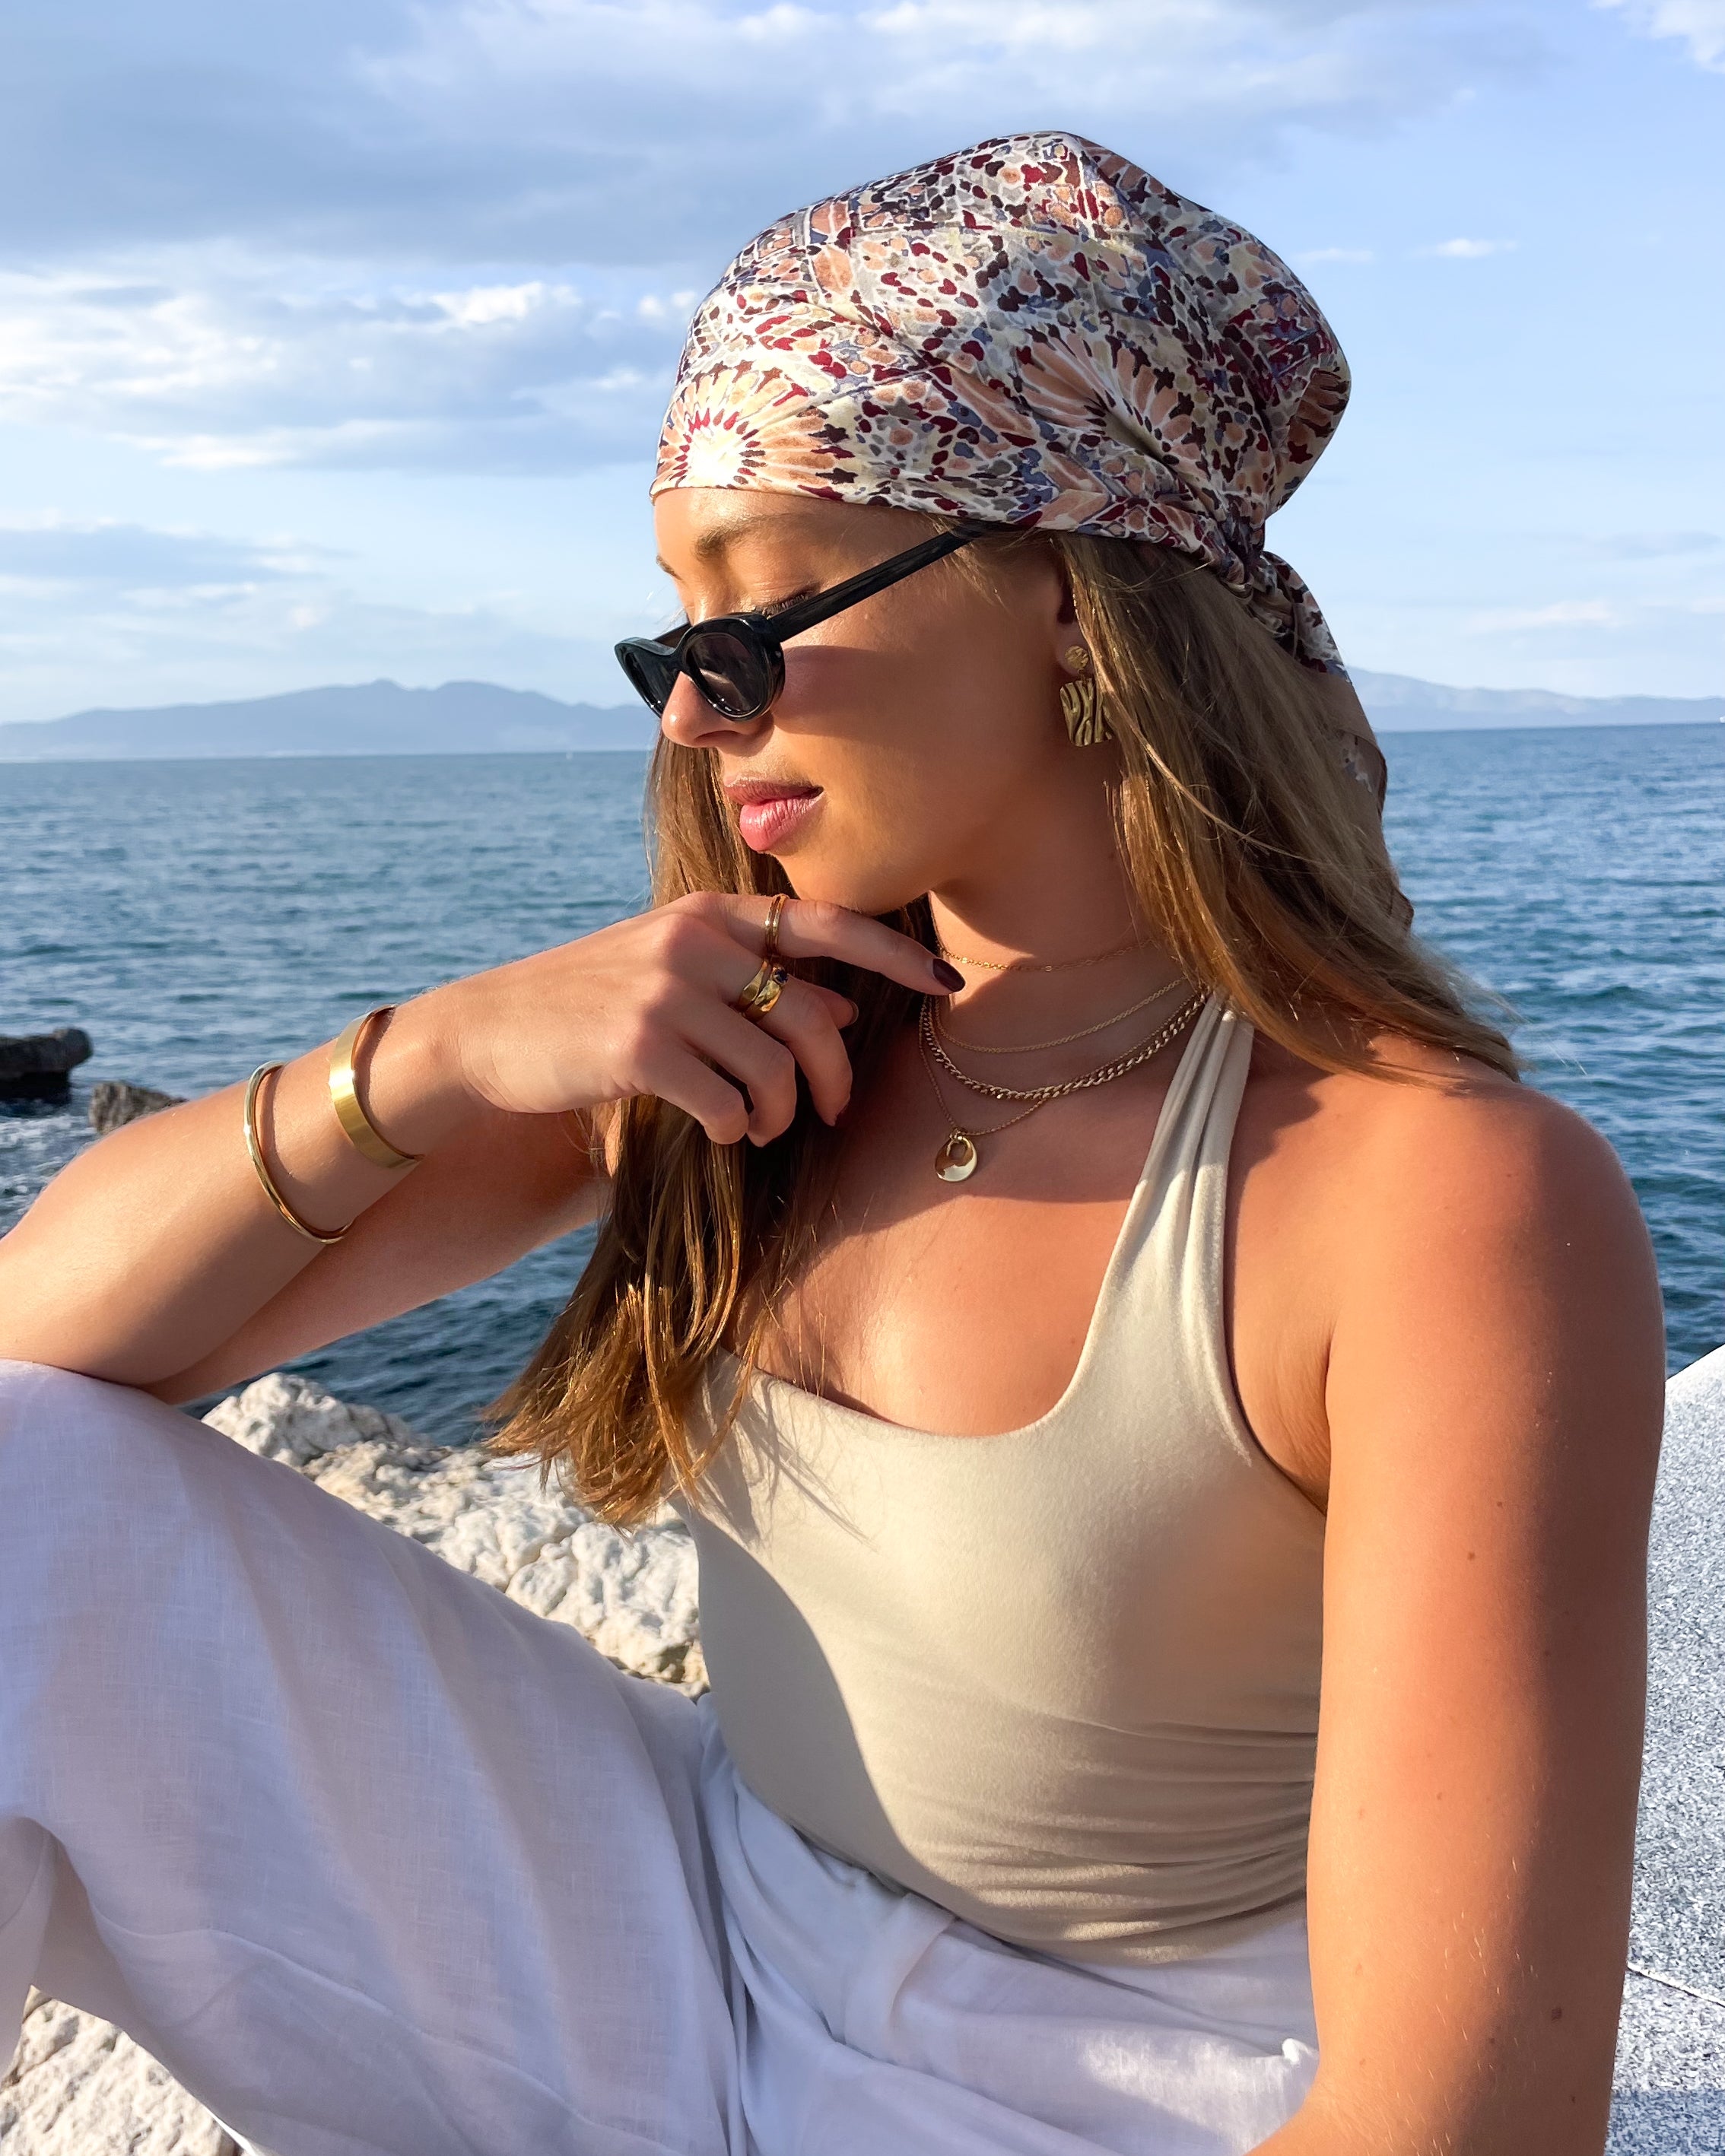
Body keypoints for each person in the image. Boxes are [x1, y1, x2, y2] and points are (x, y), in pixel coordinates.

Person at [0, 133, 1664, 2156]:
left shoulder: (1427, 1199)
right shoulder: (759, 1046)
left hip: (1114, 2084)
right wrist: (438, 1052)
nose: (692, 718)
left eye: (756, 614)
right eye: (669, 635)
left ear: (1064, 589)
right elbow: (49, 1355)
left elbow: (1465, 2124)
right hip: (695, 1913)